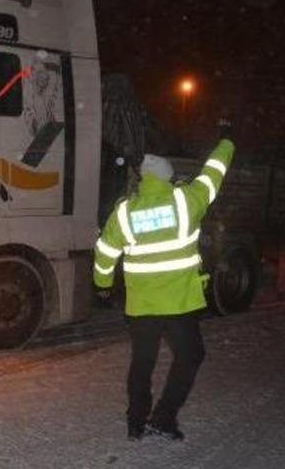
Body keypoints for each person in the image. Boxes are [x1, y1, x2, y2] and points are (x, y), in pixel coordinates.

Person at [93, 133, 235, 442]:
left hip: (141, 306)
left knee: (143, 362)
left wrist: (102, 286)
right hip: (178, 304)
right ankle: (164, 416)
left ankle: (136, 423)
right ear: (168, 178)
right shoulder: (185, 201)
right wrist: (225, 142)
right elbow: (213, 176)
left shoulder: (124, 212)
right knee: (191, 355)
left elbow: (104, 253)